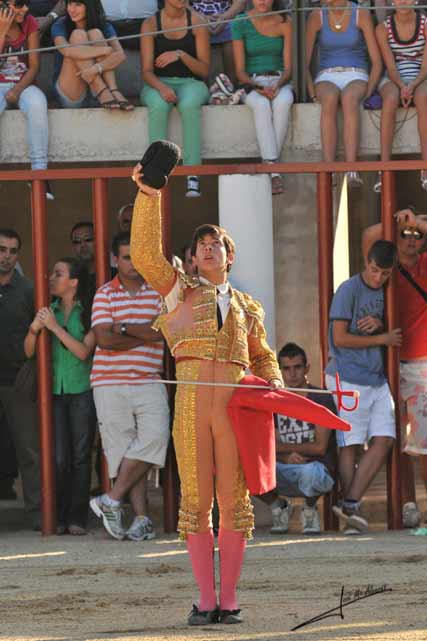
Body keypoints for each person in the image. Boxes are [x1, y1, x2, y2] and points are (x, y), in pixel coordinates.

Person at [129, 142, 283, 625]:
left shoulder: (247, 307)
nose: (210, 247)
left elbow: (261, 355)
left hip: (234, 403)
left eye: (217, 242)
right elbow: (146, 257)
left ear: (229, 255)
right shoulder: (179, 290)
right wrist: (149, 194)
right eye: (202, 245)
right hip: (194, 401)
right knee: (197, 501)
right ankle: (205, 599)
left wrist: (274, 383)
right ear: (192, 260)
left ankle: (230, 598)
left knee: (234, 502)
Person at [89, 231, 170, 542]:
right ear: (114, 260)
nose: (132, 263)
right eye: (125, 257)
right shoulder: (104, 293)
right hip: (109, 382)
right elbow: (104, 340)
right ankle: (142, 519)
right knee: (123, 453)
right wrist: (140, 332)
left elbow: (162, 333)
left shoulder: (159, 294)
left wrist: (121, 328)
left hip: (149, 379)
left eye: (136, 257)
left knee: (155, 437)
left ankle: (111, 499)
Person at [325, 240, 402, 534]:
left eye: (384, 273)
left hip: (376, 377)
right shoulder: (348, 290)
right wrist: (381, 339)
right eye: (373, 271)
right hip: (346, 376)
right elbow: (340, 338)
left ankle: (349, 504)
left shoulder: (389, 290)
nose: (378, 278)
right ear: (365, 263)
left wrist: (382, 327)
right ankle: (352, 510)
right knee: (351, 444)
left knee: (385, 438)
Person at [363, 209, 427, 529]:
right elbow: (368, 238)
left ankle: (422, 503)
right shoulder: (387, 264)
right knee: (397, 440)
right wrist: (398, 222)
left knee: (423, 442)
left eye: (417, 235)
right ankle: (408, 503)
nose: (411, 239)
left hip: (421, 365)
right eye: (405, 234)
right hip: (388, 361)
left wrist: (416, 221)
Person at [24, 258, 96, 535]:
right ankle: (59, 515)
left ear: (74, 282)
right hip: (53, 392)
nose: (51, 278)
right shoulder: (48, 310)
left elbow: (82, 352)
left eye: (58, 274)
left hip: (81, 391)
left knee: (79, 456)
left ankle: (77, 518)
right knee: (57, 458)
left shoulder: (86, 311)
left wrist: (54, 328)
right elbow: (29, 351)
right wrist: (35, 328)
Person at [259, 343, 336, 535]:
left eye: (297, 367)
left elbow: (320, 447)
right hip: (282, 466)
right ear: (280, 371)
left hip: (314, 467)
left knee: (312, 474)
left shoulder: (321, 398)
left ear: (307, 368)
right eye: (286, 368)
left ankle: (309, 509)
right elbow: (268, 444)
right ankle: (278, 506)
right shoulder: (273, 400)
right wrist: (286, 457)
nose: (292, 373)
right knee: (246, 469)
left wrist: (286, 451)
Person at [305, 0, 382, 188]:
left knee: (349, 98)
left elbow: (377, 61)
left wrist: (369, 91)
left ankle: (351, 168)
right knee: (330, 98)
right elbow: (303, 62)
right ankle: (329, 169)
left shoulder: (360, 13)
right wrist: (312, 92)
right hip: (326, 74)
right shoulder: (316, 15)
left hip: (357, 73)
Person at [140, 0, 210, 198]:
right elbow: (146, 72)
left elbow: (204, 70)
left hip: (191, 83)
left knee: (188, 105)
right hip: (157, 83)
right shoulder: (150, 24)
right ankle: (153, 173)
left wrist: (180, 55)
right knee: (158, 104)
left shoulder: (197, 21)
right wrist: (162, 88)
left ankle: (193, 175)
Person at [0, 228, 40, 529]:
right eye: (2, 250)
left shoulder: (28, 290)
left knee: (28, 448)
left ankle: (39, 514)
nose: (7, 257)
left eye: (13, 251)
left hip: (17, 380)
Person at [232, 0, 293, 195]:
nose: (263, 1)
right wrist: (257, 87)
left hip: (279, 79)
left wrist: (278, 84)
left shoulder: (285, 21)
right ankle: (274, 170)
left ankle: (269, 162)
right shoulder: (240, 22)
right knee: (261, 105)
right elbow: (240, 71)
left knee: (284, 101)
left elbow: (289, 67)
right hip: (252, 81)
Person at [0, 0, 53, 199]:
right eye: (19, 4)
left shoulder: (29, 22)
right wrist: (2, 29)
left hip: (24, 83)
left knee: (38, 103)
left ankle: (39, 174)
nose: (26, 9)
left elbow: (34, 65)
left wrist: (18, 88)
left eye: (26, 3)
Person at [375, 0, 427, 193]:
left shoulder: (425, 24)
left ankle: (425, 167)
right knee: (390, 98)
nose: (403, 1)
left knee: (424, 98)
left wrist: (412, 85)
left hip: (420, 77)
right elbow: (390, 66)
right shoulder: (383, 28)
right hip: (393, 77)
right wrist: (402, 86)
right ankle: (382, 169)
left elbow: (425, 66)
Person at [51, 0, 133, 110]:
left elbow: (121, 55)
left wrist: (95, 69)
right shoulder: (60, 24)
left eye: (78, 4)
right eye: (70, 4)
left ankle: (113, 89)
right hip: (71, 90)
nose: (71, 9)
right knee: (78, 35)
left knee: (96, 33)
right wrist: (104, 50)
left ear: (90, 6)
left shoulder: (104, 25)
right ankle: (101, 90)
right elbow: (66, 51)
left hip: (100, 90)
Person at [191, 0, 246, 84]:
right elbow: (182, 4)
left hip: (229, 18)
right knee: (213, 78)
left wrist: (224, 18)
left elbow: (240, 2)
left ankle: (233, 91)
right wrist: (201, 20)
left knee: (232, 78)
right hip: (197, 21)